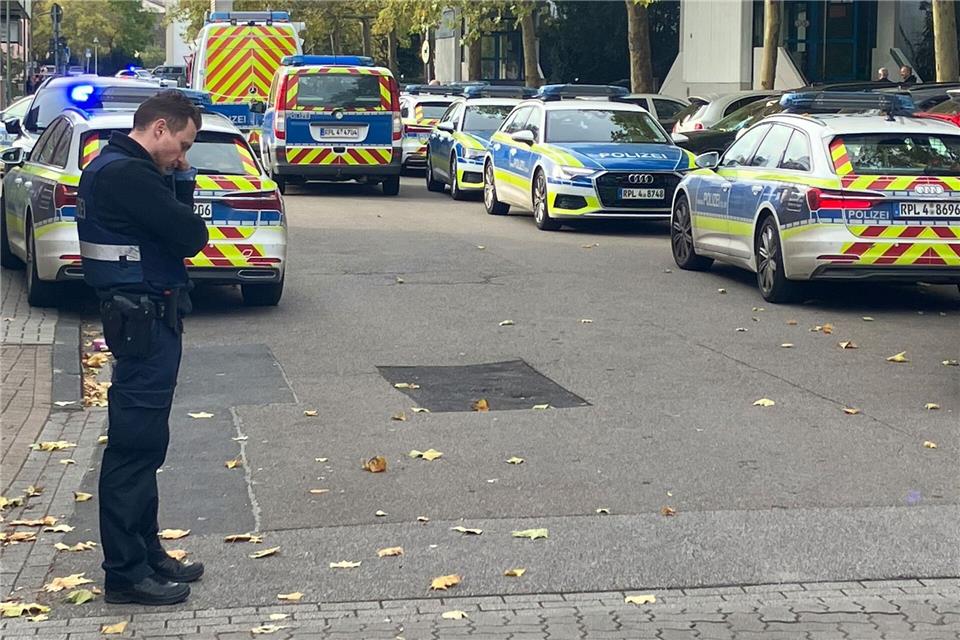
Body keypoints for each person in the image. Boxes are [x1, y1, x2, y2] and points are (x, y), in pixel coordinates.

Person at [76, 90, 209, 606]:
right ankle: (126, 573)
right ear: (157, 128)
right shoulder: (129, 176)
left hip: (142, 319)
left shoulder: (108, 166)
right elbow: (190, 235)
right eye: (181, 144)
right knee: (134, 447)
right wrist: (179, 182)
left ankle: (146, 551)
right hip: (144, 324)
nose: (182, 157)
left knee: (146, 441)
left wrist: (171, 177)